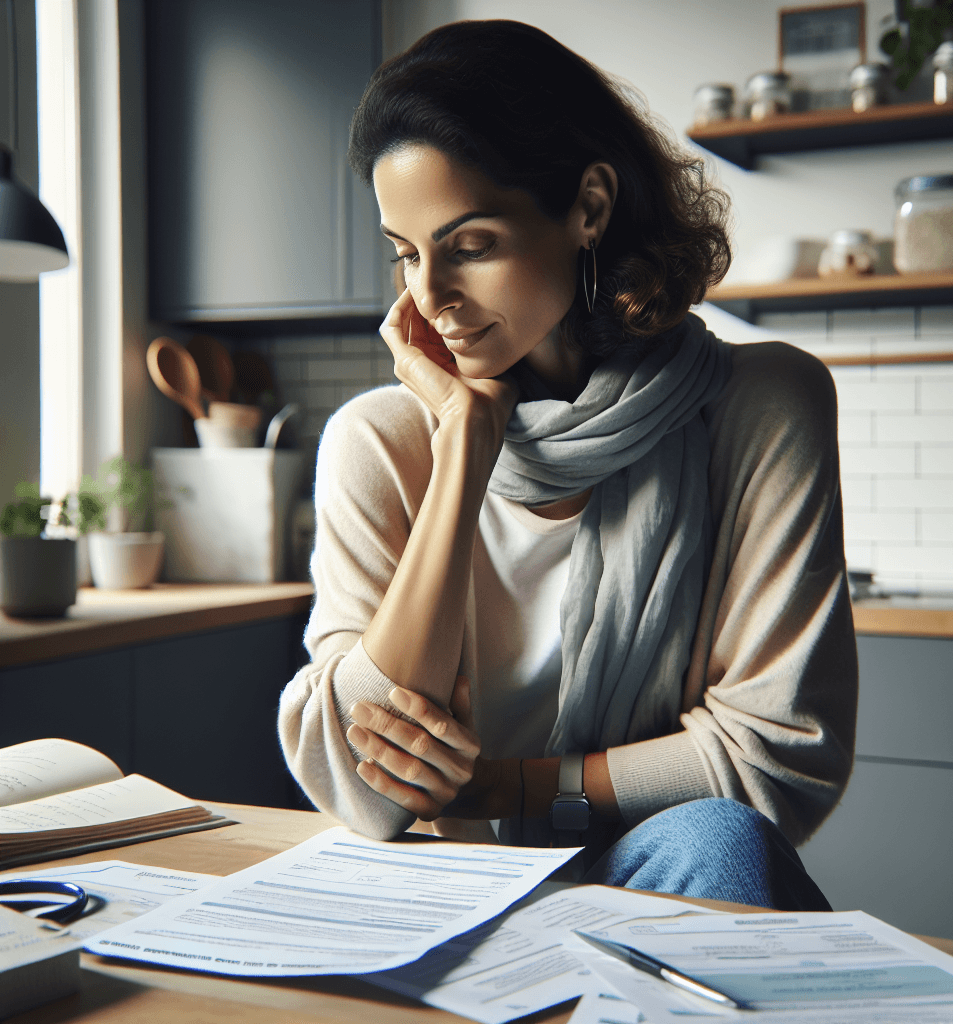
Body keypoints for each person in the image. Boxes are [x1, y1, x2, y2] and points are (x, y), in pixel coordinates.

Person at [278, 19, 856, 911]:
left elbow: (773, 759)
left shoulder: (761, 403)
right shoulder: (381, 442)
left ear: (588, 206)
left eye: (470, 245)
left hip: (655, 869)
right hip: (443, 885)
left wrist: (508, 787)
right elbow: (362, 784)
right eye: (406, 254)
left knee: (720, 837)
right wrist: (463, 446)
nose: (429, 297)